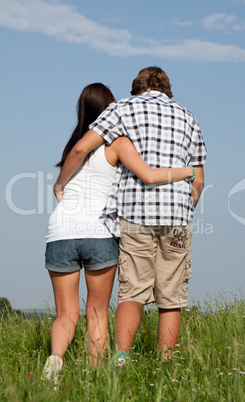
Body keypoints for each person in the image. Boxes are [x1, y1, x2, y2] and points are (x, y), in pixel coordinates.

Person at [43, 82, 195, 384]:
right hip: (100, 233)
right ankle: (95, 379)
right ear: (112, 108)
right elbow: (149, 175)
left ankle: (55, 360)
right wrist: (189, 171)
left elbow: (78, 152)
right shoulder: (118, 144)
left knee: (65, 314)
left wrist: (59, 184)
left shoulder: (71, 147)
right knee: (97, 313)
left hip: (60, 232)